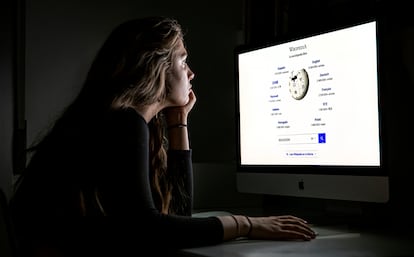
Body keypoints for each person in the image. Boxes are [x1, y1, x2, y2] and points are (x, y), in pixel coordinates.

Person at [9, 16, 316, 257]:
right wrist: (245, 224)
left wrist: (178, 122)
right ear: (157, 68)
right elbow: (149, 229)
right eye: (183, 61)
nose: (191, 73)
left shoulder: (123, 121)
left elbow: (178, 213)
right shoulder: (123, 124)